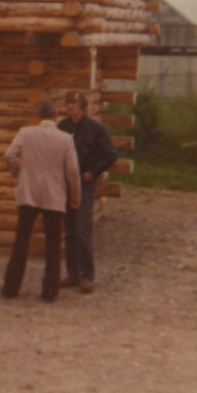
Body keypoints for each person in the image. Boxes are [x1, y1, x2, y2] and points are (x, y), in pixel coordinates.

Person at [0, 100, 81, 303]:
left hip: (28, 192)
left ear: (39, 115)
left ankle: (11, 287)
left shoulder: (26, 133)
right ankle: (50, 290)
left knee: (22, 239)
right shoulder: (65, 139)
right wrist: (75, 196)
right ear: (56, 116)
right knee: (53, 242)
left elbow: (9, 155)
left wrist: (18, 173)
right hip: (54, 194)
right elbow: (72, 171)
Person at [58, 91, 119, 294]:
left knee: (83, 228)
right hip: (67, 183)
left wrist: (93, 173)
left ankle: (87, 275)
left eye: (74, 103)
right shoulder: (64, 127)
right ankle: (73, 272)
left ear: (82, 106)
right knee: (70, 230)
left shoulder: (95, 128)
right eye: (68, 103)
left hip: (85, 184)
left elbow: (111, 154)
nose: (70, 106)